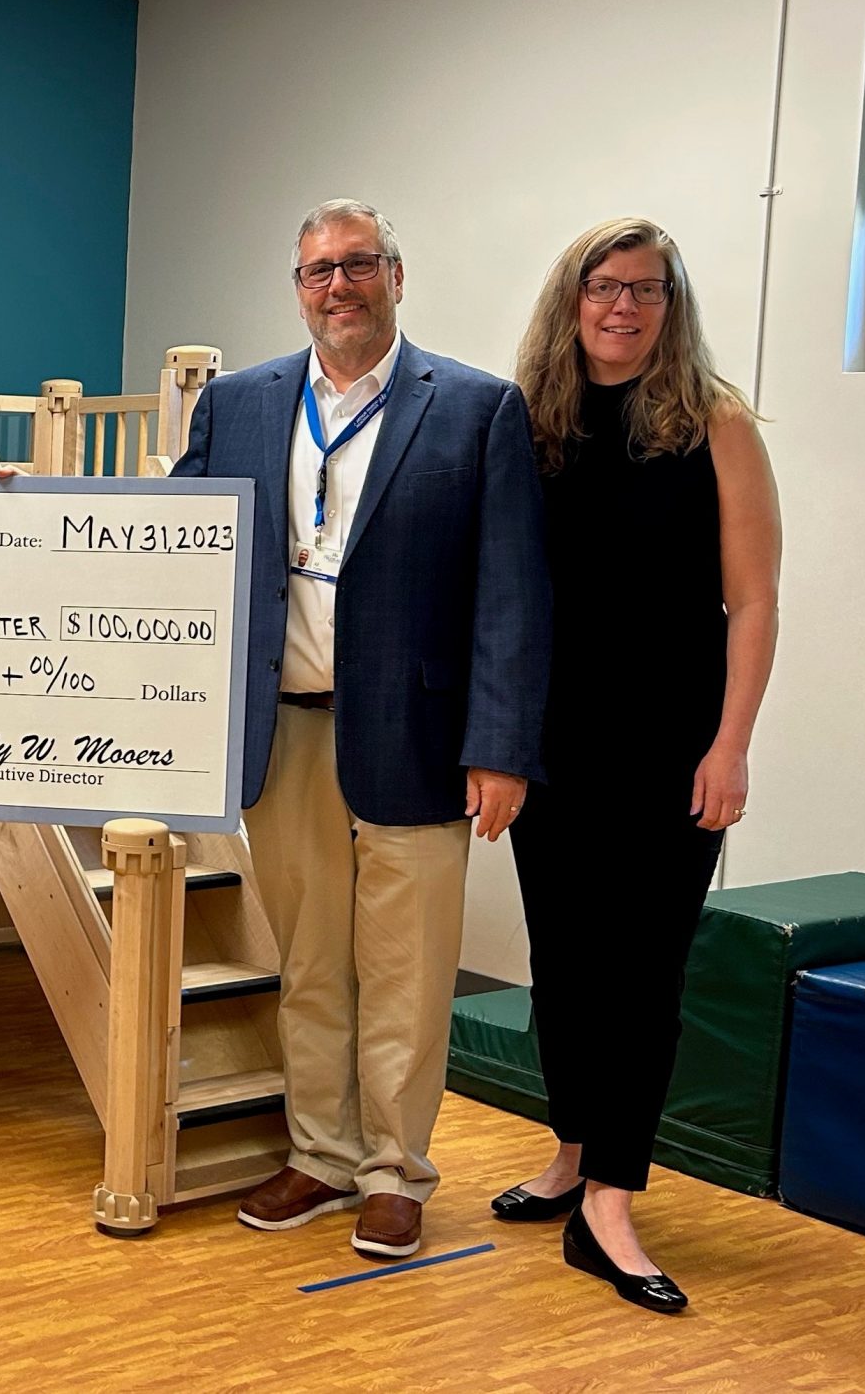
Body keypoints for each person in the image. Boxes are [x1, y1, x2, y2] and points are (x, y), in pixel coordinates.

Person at [173, 198, 550, 1261]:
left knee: (407, 970)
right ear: (297, 288)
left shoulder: (477, 407)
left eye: (357, 264)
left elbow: (512, 593)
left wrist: (501, 746)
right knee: (308, 962)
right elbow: (176, 541)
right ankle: (322, 1152)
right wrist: (34, 516)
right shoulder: (238, 403)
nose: (337, 285)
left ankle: (394, 1169)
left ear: (395, 275)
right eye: (317, 270)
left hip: (418, 736)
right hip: (283, 731)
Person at [490, 218, 781, 1313]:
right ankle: (572, 1151)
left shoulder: (716, 424)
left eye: (647, 289)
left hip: (672, 747)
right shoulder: (529, 423)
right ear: (571, 300)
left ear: (672, 305)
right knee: (562, 962)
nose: (624, 306)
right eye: (605, 286)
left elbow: (753, 599)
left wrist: (731, 744)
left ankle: (610, 1201)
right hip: (551, 746)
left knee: (643, 973)